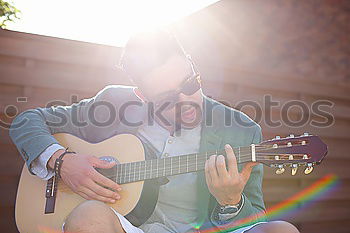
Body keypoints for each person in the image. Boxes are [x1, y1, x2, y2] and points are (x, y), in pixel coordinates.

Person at [10, 30, 299, 233]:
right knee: (88, 215)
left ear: (194, 68)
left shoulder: (242, 130)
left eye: (189, 84)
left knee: (281, 230)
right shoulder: (114, 102)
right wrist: (62, 162)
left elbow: (254, 217)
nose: (186, 102)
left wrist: (231, 202)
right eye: (166, 98)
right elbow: (27, 121)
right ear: (141, 94)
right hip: (127, 227)